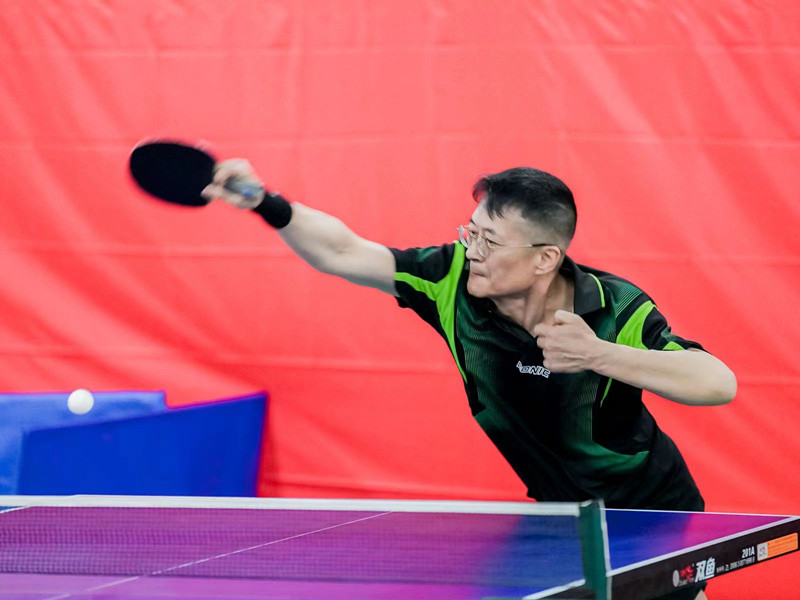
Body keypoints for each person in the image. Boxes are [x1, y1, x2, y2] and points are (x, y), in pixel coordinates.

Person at [203, 164, 735, 600]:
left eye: (490, 241)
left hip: (649, 512)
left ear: (545, 258)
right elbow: (341, 252)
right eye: (471, 231)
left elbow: (717, 383)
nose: (473, 249)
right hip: (560, 515)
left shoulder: (614, 307)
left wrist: (599, 354)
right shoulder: (451, 279)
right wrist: (263, 201)